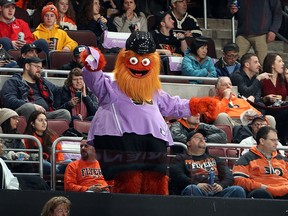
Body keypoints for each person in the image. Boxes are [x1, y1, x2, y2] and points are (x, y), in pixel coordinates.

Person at [81, 31, 220, 195]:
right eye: (134, 60)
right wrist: (93, 66)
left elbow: (172, 105)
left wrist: (198, 105)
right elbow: (94, 81)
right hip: (122, 137)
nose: (140, 66)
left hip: (153, 139)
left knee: (157, 179)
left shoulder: (153, 90)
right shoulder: (111, 84)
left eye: (145, 61)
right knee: (129, 180)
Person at [169, 129, 246, 197]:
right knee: (191, 189)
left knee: (238, 190)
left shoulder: (215, 159)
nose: (202, 139)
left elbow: (228, 176)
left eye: (203, 138)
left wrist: (221, 186)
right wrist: (196, 184)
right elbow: (177, 175)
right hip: (196, 191)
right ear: (188, 143)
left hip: (217, 192)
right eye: (197, 138)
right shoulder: (180, 158)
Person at [0, 56, 71, 122]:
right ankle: (29, 133)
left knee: (64, 113)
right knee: (29, 107)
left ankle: (48, 134)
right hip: (24, 113)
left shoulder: (42, 81)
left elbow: (58, 90)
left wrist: (71, 85)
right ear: (27, 66)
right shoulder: (13, 82)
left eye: (41, 68)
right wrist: (32, 105)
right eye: (37, 67)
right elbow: (9, 100)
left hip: (45, 113)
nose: (40, 70)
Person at [233, 126, 288, 199]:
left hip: (284, 191)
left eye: (277, 140)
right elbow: (239, 180)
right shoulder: (246, 159)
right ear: (262, 141)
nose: (277, 143)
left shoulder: (283, 160)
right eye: (273, 140)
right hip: (262, 192)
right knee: (260, 193)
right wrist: (261, 186)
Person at [209, 77, 275, 130]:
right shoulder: (212, 101)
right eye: (225, 85)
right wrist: (225, 98)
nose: (229, 86)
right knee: (222, 116)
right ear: (217, 90)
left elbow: (259, 114)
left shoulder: (241, 100)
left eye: (230, 84)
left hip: (248, 123)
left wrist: (254, 117)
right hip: (231, 122)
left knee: (270, 119)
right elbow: (214, 116)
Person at [230, 0, 282, 65]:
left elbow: (277, 13)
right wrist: (232, 10)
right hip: (242, 33)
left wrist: (273, 30)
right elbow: (231, 7)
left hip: (261, 33)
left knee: (263, 63)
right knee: (233, 60)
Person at [24, 110, 69, 175]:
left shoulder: (53, 136)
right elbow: (26, 157)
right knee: (43, 163)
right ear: (32, 123)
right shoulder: (28, 138)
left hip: (54, 165)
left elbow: (59, 155)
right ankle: (56, 171)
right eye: (40, 120)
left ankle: (55, 171)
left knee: (69, 162)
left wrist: (58, 163)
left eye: (45, 120)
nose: (44, 123)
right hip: (37, 166)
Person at [261, 53, 288, 145]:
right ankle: (282, 141)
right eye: (280, 61)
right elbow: (257, 98)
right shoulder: (263, 79)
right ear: (272, 65)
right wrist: (266, 98)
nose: (283, 63)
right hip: (268, 109)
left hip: (282, 108)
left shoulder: (283, 79)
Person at [0, 108, 33, 173]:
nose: (17, 121)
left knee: (28, 163)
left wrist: (22, 156)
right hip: (5, 166)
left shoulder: (18, 137)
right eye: (14, 118)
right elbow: (2, 154)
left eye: (17, 119)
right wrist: (13, 156)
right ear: (5, 120)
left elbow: (22, 152)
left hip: (17, 164)